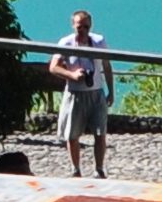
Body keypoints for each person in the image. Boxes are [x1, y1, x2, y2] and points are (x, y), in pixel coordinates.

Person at [48, 11, 114, 177]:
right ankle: (75, 169)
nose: (83, 30)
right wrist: (72, 75)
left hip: (96, 93)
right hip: (74, 94)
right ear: (73, 26)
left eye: (86, 27)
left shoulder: (99, 41)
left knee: (100, 133)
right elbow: (53, 67)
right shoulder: (66, 43)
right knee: (72, 134)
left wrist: (111, 92)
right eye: (79, 27)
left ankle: (99, 169)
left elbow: (106, 66)